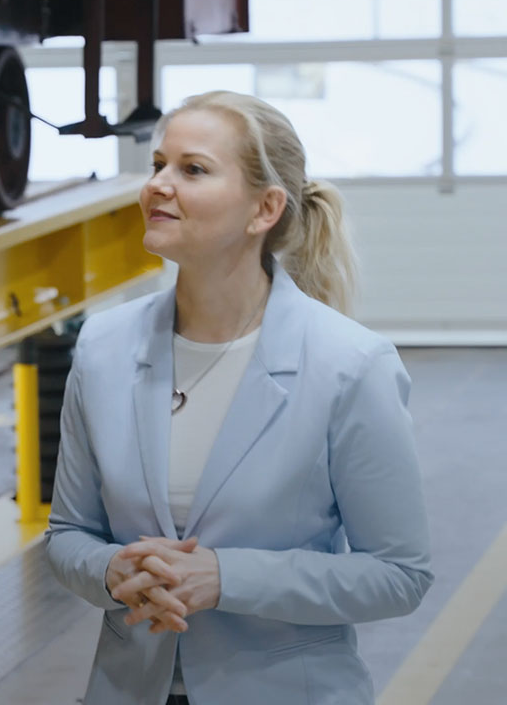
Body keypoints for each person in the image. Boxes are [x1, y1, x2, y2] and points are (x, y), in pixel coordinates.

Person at [44, 90, 433, 704]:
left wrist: (228, 577)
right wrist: (111, 571)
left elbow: (399, 575)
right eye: (157, 166)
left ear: (265, 209)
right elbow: (69, 533)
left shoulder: (350, 366)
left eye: (192, 169)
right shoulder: (104, 348)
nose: (158, 186)